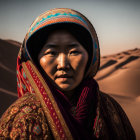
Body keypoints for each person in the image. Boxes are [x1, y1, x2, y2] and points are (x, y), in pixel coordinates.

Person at [0, 8, 135, 140]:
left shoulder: (111, 108)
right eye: (51, 53)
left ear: (90, 56)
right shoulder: (21, 116)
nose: (63, 64)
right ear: (36, 61)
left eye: (74, 52)